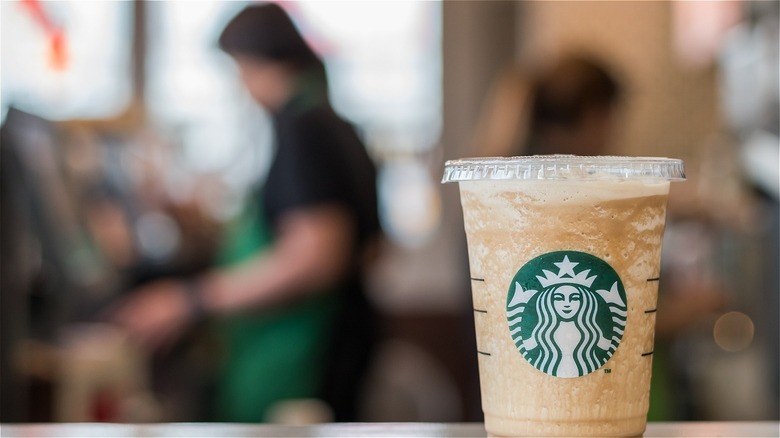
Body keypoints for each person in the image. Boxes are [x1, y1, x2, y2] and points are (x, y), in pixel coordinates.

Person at [113, 3, 381, 422]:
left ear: (252, 63)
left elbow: (316, 256)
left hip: (307, 351)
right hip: (342, 333)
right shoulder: (330, 122)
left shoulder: (302, 126)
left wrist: (191, 301)